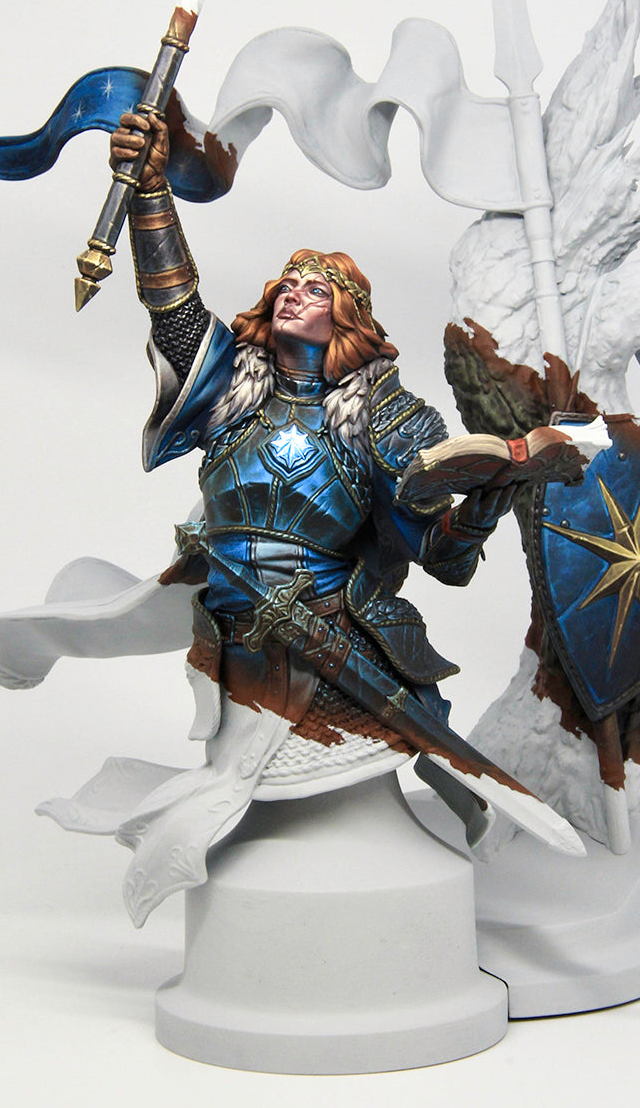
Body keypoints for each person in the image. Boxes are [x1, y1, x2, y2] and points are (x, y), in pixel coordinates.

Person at [107, 110, 520, 921]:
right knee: (235, 787)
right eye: (287, 285)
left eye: (315, 288)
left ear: (347, 317)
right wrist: (150, 192)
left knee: (332, 807)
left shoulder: (388, 419)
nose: (294, 293)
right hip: (234, 638)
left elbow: (443, 558)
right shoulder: (231, 391)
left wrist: (488, 498)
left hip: (334, 647)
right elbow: (173, 307)